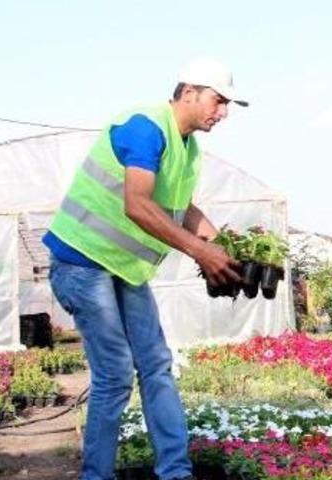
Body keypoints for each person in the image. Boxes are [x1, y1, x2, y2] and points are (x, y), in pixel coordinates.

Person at [43, 57, 247, 480]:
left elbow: (179, 207)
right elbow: (137, 205)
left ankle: (175, 472)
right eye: (218, 100)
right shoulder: (145, 127)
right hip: (81, 262)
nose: (223, 112)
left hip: (123, 268)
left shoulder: (187, 146)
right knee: (115, 374)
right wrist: (199, 252)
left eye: (227, 105)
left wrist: (221, 248)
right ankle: (96, 476)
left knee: (156, 365)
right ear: (189, 92)